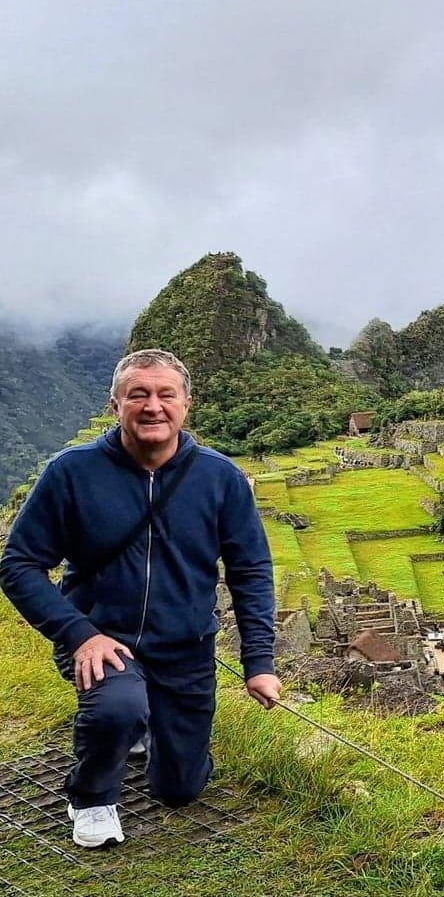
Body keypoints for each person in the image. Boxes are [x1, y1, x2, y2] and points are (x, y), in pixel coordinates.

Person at [0, 349, 281, 849]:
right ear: (115, 405)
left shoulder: (220, 479)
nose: (153, 406)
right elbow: (18, 564)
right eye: (138, 395)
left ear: (186, 404)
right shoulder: (72, 473)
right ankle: (90, 797)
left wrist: (259, 661)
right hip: (102, 638)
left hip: (186, 647)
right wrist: (79, 634)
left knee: (180, 790)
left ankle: (156, 729)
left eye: (165, 394)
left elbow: (250, 569)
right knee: (116, 706)